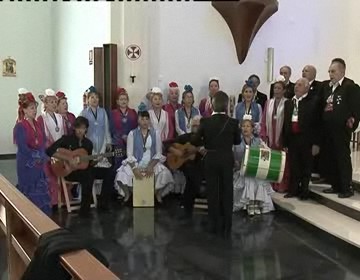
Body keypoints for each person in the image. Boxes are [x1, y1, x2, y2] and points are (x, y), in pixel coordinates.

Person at [194, 91, 241, 237]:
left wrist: (204, 145)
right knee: (227, 191)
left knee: (212, 191)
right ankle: (227, 224)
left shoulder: (205, 122)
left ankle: (213, 223)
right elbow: (237, 141)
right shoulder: (233, 122)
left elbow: (195, 140)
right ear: (227, 105)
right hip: (227, 158)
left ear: (212, 105)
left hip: (211, 158)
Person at [115, 104, 174, 203]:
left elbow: (158, 153)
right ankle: (128, 194)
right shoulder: (132, 134)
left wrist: (150, 166)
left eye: (147, 119)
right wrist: (134, 168)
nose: (145, 121)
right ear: (138, 120)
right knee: (120, 175)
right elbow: (129, 154)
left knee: (166, 174)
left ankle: (157, 194)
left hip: (152, 162)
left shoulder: (156, 133)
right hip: (136, 162)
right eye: (142, 119)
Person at [320, 58, 360, 198]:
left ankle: (346, 187)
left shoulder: (350, 87)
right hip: (328, 128)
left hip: (341, 129)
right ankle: (335, 185)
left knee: (342, 157)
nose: (330, 74)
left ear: (342, 71)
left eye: (333, 71)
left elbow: (356, 108)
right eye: (329, 71)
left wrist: (352, 123)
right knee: (331, 157)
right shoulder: (328, 87)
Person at [46, 117, 96, 217]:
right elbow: (49, 151)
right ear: (74, 128)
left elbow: (87, 162)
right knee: (88, 176)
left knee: (102, 172)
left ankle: (102, 204)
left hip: (82, 170)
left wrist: (94, 161)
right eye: (78, 128)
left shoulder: (88, 144)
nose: (80, 131)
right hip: (68, 171)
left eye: (83, 128)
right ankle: (84, 211)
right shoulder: (66, 139)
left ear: (86, 129)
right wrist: (67, 158)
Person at [13, 89, 51, 215]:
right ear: (24, 110)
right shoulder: (20, 126)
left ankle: (42, 219)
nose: (34, 111)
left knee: (41, 189)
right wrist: (36, 155)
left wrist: (42, 153)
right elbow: (23, 147)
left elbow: (43, 140)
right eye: (31, 108)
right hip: (26, 163)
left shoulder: (38, 124)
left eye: (35, 108)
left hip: (39, 163)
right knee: (29, 190)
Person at [283, 78, 320, 200]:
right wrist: (285, 142)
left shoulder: (313, 102)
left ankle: (304, 191)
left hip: (306, 139)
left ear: (306, 88)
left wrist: (316, 143)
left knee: (306, 165)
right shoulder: (289, 103)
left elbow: (317, 124)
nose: (296, 87)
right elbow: (285, 123)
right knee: (294, 165)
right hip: (293, 138)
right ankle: (293, 189)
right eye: (296, 84)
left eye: (300, 85)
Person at [80, 86, 114, 210]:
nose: (94, 99)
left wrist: (108, 142)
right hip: (89, 149)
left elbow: (106, 129)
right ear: (88, 100)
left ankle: (103, 201)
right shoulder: (84, 113)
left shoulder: (103, 112)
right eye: (92, 97)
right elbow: (81, 133)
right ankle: (87, 201)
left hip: (102, 147)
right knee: (90, 172)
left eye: (96, 97)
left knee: (109, 172)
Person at [233, 117, 275, 216]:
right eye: (243, 126)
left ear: (252, 128)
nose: (245, 128)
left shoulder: (258, 140)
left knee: (256, 176)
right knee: (249, 177)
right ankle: (251, 203)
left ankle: (256, 202)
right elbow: (232, 156)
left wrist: (263, 151)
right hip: (241, 171)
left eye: (248, 126)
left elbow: (268, 154)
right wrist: (235, 161)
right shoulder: (236, 140)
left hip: (255, 170)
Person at [165, 115, 203, 219]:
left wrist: (200, 150)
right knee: (192, 174)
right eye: (194, 125)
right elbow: (167, 145)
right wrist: (176, 151)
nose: (195, 127)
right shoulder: (185, 137)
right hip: (185, 165)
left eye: (198, 125)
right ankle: (188, 204)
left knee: (193, 177)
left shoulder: (204, 138)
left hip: (200, 165)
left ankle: (186, 204)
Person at [37, 88, 66, 208]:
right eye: (51, 102)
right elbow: (42, 137)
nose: (54, 104)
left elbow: (63, 134)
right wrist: (51, 148)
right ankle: (52, 201)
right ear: (45, 104)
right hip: (48, 152)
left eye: (55, 102)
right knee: (50, 176)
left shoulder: (60, 117)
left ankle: (63, 199)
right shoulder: (41, 118)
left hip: (59, 151)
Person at [260, 81, 289, 192]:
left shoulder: (287, 103)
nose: (276, 90)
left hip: (281, 137)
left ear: (284, 90)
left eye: (279, 88)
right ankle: (271, 184)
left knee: (283, 163)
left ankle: (282, 184)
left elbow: (287, 123)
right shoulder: (268, 103)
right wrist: (264, 134)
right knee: (271, 162)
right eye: (275, 88)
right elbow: (263, 120)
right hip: (270, 137)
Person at [110, 87, 138, 170]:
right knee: (118, 165)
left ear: (128, 100)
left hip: (131, 142)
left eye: (125, 99)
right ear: (117, 101)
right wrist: (122, 136)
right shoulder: (113, 113)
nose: (123, 101)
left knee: (131, 163)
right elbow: (111, 128)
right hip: (118, 142)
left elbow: (136, 127)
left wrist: (129, 137)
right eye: (121, 99)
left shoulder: (133, 112)